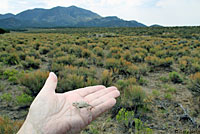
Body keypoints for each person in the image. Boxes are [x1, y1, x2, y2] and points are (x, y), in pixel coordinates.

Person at [17, 72, 120, 134]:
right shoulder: (76, 105)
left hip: (84, 105)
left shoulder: (79, 105)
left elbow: (81, 105)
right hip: (83, 105)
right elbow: (78, 105)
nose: (73, 105)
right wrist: (36, 130)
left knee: (88, 105)